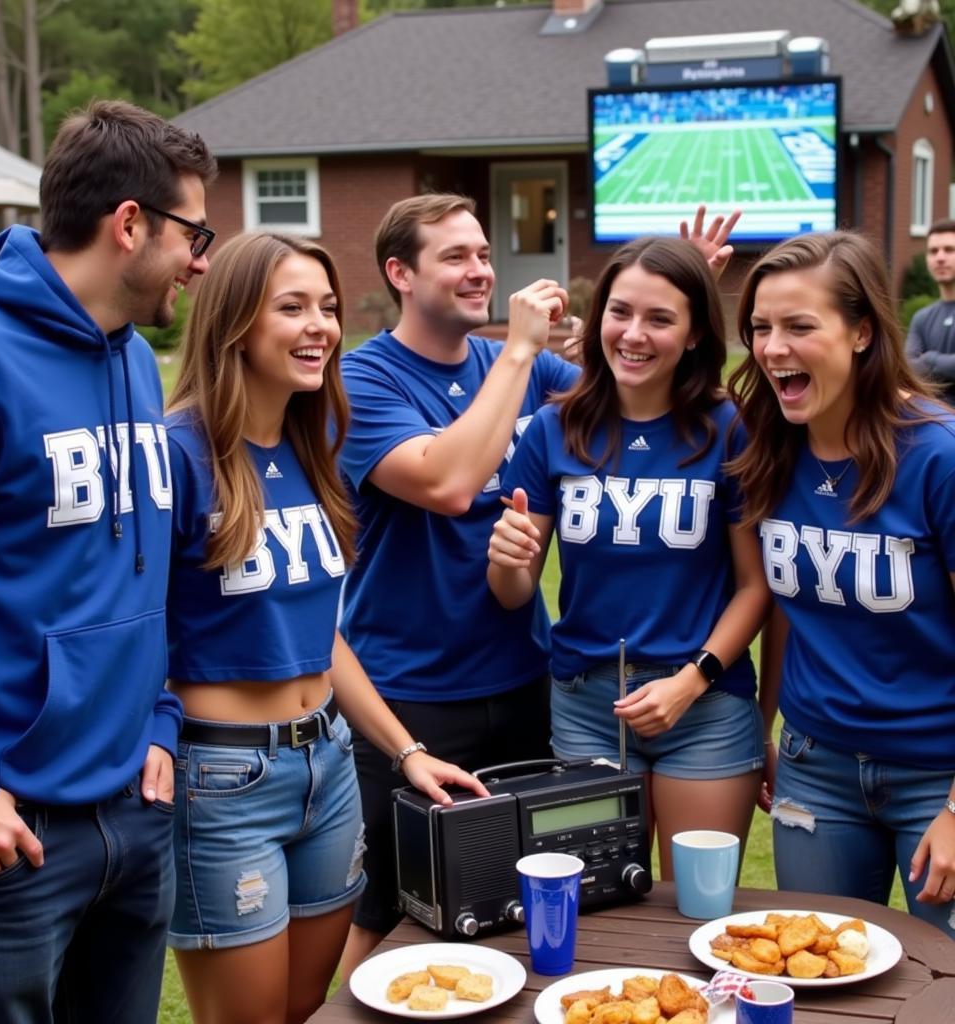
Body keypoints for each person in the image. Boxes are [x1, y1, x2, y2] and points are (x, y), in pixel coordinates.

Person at [0, 100, 216, 1021]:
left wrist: (163, 718)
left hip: (132, 810)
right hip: (5, 829)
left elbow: (140, 566)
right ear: (130, 224)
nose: (202, 258)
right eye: (194, 231)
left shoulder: (134, 357)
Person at [164, 231, 487, 1024]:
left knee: (309, 1005)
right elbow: (126, 624)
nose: (321, 327)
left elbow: (320, 634)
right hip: (221, 783)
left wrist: (405, 751)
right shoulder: (177, 453)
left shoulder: (316, 448)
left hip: (329, 767)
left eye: (329, 308)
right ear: (236, 322)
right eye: (293, 308)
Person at [336, 193, 578, 974]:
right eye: (456, 257)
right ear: (400, 272)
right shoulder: (360, 380)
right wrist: (516, 354)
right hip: (410, 693)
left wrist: (678, 300)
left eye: (483, 254)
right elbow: (444, 481)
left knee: (521, 886)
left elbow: (635, 406)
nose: (480, 271)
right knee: (388, 906)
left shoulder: (531, 369)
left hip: (521, 675)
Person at [486, 236, 771, 875]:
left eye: (660, 318)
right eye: (620, 312)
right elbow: (514, 591)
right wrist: (506, 559)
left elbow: (756, 586)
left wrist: (691, 680)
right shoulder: (554, 430)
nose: (633, 334)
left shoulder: (732, 429)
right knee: (597, 903)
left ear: (696, 333)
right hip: (588, 705)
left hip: (706, 704)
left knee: (696, 914)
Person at [729, 231, 955, 938]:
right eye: (761, 328)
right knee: (817, 975)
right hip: (813, 768)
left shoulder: (937, 454)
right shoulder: (768, 446)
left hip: (936, 776)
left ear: (861, 332)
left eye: (800, 326)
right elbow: (788, 613)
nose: (772, 349)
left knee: (939, 990)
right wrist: (768, 733)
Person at [906, 218, 955, 405]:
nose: (940, 257)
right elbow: (909, 368)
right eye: (933, 251)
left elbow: (920, 366)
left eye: (949, 250)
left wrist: (928, 359)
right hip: (933, 421)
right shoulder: (922, 317)